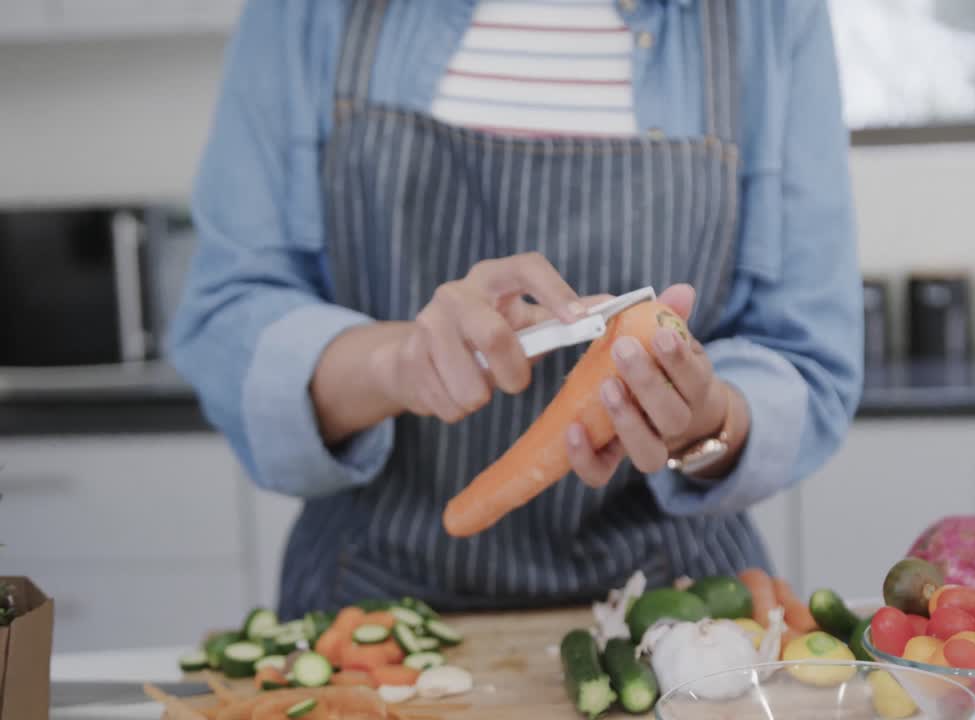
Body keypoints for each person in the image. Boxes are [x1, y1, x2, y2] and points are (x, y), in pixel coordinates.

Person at [169, 0, 863, 617]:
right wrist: (397, 363)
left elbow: (806, 360)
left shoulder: (770, 16)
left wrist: (703, 419)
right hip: (367, 609)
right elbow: (229, 311)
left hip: (680, 621)